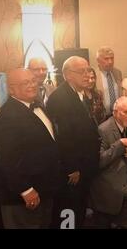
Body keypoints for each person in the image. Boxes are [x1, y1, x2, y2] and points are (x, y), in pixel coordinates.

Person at [0, 69, 61, 228]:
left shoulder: (37, 106)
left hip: (44, 188)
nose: (32, 85)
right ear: (11, 89)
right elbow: (7, 159)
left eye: (33, 81)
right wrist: (26, 190)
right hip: (21, 197)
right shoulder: (5, 116)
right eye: (25, 83)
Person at [47, 56, 100, 228]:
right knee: (69, 207)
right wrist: (72, 167)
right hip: (72, 170)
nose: (87, 75)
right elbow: (62, 136)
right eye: (81, 71)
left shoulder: (79, 93)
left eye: (88, 70)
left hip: (84, 164)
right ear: (68, 75)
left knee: (79, 206)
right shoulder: (60, 98)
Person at [89, 97, 127, 228]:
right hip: (107, 179)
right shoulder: (103, 130)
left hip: (126, 175)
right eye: (126, 112)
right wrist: (120, 144)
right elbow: (98, 161)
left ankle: (119, 223)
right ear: (115, 112)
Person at [94, 47, 123, 116]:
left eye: (112, 58)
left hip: (117, 115)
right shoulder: (93, 75)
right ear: (98, 60)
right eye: (106, 59)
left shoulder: (118, 72)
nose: (110, 62)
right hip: (102, 116)